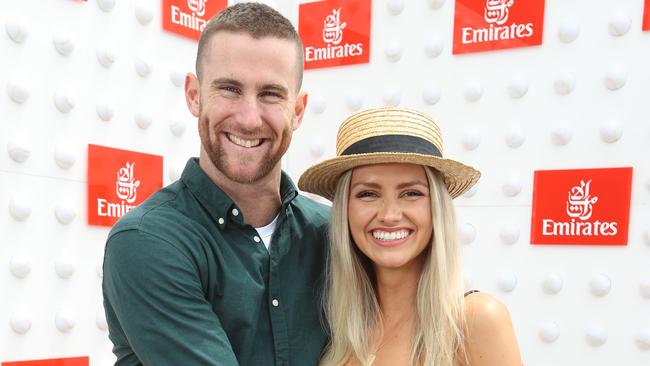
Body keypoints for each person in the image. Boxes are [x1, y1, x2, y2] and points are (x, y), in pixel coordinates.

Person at [102, 3, 329, 365]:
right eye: (229, 89)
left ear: (298, 110)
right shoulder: (148, 241)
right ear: (194, 94)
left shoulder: (333, 233)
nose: (249, 118)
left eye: (271, 94)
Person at [298, 108, 522, 366]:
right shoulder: (335, 328)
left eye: (411, 193)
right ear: (344, 211)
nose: (390, 215)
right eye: (368, 194)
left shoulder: (478, 319)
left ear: (436, 207)